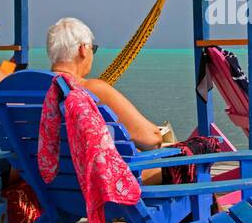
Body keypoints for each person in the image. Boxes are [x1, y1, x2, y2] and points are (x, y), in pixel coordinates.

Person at [45, 16, 168, 151]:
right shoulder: (91, 89)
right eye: (93, 48)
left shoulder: (28, 90)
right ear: (83, 49)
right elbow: (151, 139)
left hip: (38, 170)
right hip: (92, 171)